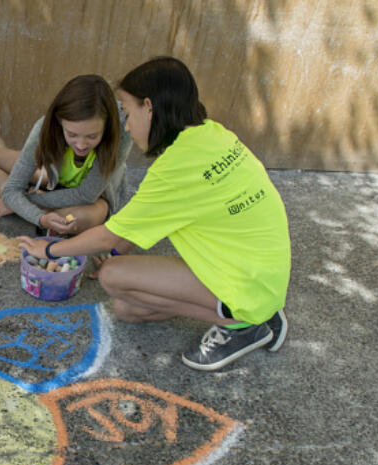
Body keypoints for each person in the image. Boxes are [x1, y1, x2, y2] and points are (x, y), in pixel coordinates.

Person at [20, 57, 290, 372]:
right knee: (127, 308)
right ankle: (257, 311)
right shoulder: (213, 135)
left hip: (246, 280)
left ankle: (246, 324)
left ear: (148, 107)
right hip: (263, 273)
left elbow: (109, 234)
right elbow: (138, 224)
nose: (127, 124)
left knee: (113, 276)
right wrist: (117, 251)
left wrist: (50, 248)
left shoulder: (176, 167)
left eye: (127, 110)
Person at [0, 75, 133, 236]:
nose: (81, 145)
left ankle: (25, 210)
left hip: (91, 198)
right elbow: (12, 189)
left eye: (92, 136)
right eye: (71, 134)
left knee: (84, 218)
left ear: (106, 127)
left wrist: (20, 202)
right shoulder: (45, 126)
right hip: (50, 178)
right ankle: (44, 217)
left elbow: (86, 195)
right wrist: (38, 216)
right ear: (59, 120)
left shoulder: (123, 128)